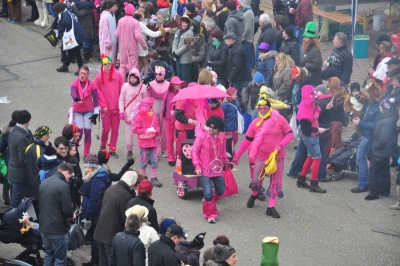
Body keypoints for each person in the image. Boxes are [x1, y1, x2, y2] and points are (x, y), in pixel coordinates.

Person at [234, 98, 293, 218]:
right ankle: (255, 194)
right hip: (260, 156)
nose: (262, 110)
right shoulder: (255, 122)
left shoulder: (280, 120)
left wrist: (281, 145)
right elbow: (247, 140)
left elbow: (289, 133)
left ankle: (271, 207)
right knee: (256, 180)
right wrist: (238, 155)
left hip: (277, 157)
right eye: (260, 108)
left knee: (275, 182)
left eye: (265, 108)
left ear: (270, 108)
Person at [94, 170, 143, 266]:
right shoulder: (125, 196)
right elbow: (125, 218)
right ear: (133, 183)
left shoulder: (111, 189)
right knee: (111, 261)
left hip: (100, 231)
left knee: (103, 262)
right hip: (111, 236)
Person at [287, 84, 332, 181]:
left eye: (317, 91)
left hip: (314, 132)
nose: (315, 93)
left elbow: (307, 122)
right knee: (316, 155)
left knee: (309, 153)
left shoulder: (316, 103)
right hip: (317, 132)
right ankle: (318, 177)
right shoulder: (327, 101)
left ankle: (297, 173)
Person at [192, 116, 227, 223]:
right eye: (209, 126)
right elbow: (194, 152)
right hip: (204, 169)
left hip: (217, 169)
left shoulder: (222, 137)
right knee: (208, 194)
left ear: (219, 129)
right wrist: (197, 166)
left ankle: (208, 202)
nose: (210, 129)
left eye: (214, 128)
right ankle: (210, 214)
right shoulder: (202, 137)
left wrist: (226, 162)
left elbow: (223, 151)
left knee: (220, 190)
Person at [38, 163, 74, 266]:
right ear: (66, 172)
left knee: (49, 255)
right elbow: (67, 210)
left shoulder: (44, 182)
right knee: (60, 260)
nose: (68, 179)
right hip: (57, 229)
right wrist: (72, 215)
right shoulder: (63, 186)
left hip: (44, 227)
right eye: (69, 176)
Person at [295, 85, 328, 193]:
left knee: (310, 157)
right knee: (317, 159)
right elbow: (305, 127)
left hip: (312, 136)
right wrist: (318, 129)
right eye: (313, 93)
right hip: (310, 136)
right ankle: (314, 184)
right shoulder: (306, 106)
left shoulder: (312, 104)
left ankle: (301, 179)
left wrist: (327, 108)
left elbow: (317, 115)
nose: (316, 94)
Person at [350, 81, 382, 193]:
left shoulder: (378, 107)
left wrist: (361, 123)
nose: (366, 94)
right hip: (363, 134)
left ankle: (363, 184)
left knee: (360, 157)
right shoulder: (367, 103)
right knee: (365, 158)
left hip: (369, 136)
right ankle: (367, 182)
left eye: (368, 92)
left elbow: (377, 125)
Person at [80, 154, 111, 266]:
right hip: (95, 212)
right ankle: (95, 260)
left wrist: (87, 217)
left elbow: (94, 201)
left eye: (88, 167)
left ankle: (95, 261)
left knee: (94, 238)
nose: (86, 170)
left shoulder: (97, 180)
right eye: (85, 167)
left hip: (94, 214)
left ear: (94, 167)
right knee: (94, 237)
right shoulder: (97, 176)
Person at [365, 98, 398, 201]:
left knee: (374, 171)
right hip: (385, 151)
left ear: (384, 108)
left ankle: (373, 193)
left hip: (381, 151)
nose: (379, 107)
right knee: (384, 170)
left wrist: (375, 147)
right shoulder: (389, 118)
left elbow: (383, 138)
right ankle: (384, 190)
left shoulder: (386, 122)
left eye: (380, 106)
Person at [95, 55, 124, 158]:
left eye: (109, 63)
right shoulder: (99, 77)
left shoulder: (118, 75)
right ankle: (103, 145)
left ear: (112, 64)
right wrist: (103, 105)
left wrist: (121, 106)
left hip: (116, 108)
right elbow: (97, 93)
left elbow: (122, 91)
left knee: (115, 130)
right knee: (106, 129)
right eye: (105, 64)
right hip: (105, 109)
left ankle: (112, 148)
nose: (107, 65)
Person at [119, 68, 148, 160]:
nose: (132, 79)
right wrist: (121, 111)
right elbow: (121, 100)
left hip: (140, 115)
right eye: (131, 77)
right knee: (129, 134)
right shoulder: (125, 86)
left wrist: (145, 112)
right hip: (128, 114)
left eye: (134, 78)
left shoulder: (143, 87)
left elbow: (145, 101)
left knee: (141, 134)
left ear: (138, 78)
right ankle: (129, 151)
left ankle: (143, 151)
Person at [70, 66, 100, 157]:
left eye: (84, 73)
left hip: (88, 110)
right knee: (79, 133)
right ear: (78, 73)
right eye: (81, 73)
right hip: (78, 111)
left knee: (87, 132)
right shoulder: (75, 82)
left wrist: (96, 113)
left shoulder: (92, 84)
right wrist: (76, 98)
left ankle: (86, 153)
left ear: (88, 75)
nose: (82, 75)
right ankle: (74, 150)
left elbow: (96, 99)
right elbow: (73, 92)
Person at [132, 98, 162, 187]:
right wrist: (146, 130)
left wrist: (155, 131)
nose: (151, 108)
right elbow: (135, 129)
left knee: (154, 160)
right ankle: (143, 177)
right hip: (143, 143)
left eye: (151, 106)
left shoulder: (153, 116)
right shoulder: (139, 117)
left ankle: (153, 177)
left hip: (152, 142)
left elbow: (157, 128)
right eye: (150, 106)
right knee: (143, 160)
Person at [8, 110, 33, 208]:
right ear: (27, 121)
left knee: (16, 195)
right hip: (20, 173)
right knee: (17, 197)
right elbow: (23, 158)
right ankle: (12, 218)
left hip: (13, 170)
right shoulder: (22, 137)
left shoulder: (13, 131)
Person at [114, 2, 147, 78]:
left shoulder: (120, 21)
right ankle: (131, 84)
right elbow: (138, 36)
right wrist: (144, 45)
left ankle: (121, 84)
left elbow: (117, 34)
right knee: (133, 67)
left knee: (122, 66)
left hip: (122, 47)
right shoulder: (135, 22)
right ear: (132, 11)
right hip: (132, 47)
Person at [53, 2, 85, 75]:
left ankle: (81, 68)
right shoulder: (69, 12)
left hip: (75, 36)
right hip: (77, 34)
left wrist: (60, 21)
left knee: (76, 53)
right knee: (70, 51)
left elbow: (67, 23)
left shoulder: (66, 14)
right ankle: (65, 66)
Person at [147, 66, 170, 158]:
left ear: (163, 74)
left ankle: (164, 149)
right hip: (153, 111)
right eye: (156, 74)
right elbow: (147, 98)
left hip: (164, 112)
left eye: (160, 74)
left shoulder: (168, 84)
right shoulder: (151, 84)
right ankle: (154, 148)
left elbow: (164, 96)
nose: (157, 76)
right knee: (154, 131)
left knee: (164, 132)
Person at [25, 126, 52, 199]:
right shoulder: (41, 150)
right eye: (47, 135)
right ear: (41, 136)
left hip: (30, 181)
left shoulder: (29, 146)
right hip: (38, 182)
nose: (49, 137)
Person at [164, 76, 185, 166]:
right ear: (172, 85)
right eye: (176, 84)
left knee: (178, 139)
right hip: (168, 119)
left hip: (178, 120)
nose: (179, 85)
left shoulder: (183, 93)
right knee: (169, 139)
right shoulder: (167, 93)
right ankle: (171, 158)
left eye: (179, 84)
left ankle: (178, 156)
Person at [325, 77, 348, 159]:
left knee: (335, 142)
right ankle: (327, 158)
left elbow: (341, 108)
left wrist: (330, 107)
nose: (328, 85)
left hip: (336, 120)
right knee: (330, 141)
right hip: (333, 120)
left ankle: (332, 160)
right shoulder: (340, 92)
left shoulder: (339, 95)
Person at [0, 110, 19, 206]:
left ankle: (6, 199)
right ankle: (13, 201)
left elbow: (1, 148)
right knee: (14, 182)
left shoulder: (5, 130)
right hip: (16, 160)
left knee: (7, 180)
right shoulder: (20, 132)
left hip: (7, 159)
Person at [172, 15, 194, 85]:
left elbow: (187, 45)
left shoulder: (190, 32)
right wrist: (174, 52)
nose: (184, 24)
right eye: (183, 23)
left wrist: (177, 53)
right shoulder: (178, 31)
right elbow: (174, 42)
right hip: (177, 57)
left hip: (185, 58)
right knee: (179, 75)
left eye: (186, 23)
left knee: (185, 76)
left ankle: (186, 89)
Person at [224, 32, 246, 102]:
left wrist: (230, 77)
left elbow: (236, 66)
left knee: (236, 95)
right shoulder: (234, 48)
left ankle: (239, 109)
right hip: (236, 77)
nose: (225, 42)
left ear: (231, 40)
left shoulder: (237, 51)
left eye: (226, 40)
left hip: (237, 78)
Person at [299, 22, 322, 87]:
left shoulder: (315, 51)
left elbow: (318, 65)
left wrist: (306, 65)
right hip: (306, 79)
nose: (304, 39)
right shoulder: (307, 48)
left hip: (312, 82)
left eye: (306, 38)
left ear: (311, 40)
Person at [239, 0, 254, 82]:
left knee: (245, 60)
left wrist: (242, 38)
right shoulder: (248, 12)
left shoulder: (248, 13)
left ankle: (248, 79)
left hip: (246, 41)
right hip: (246, 40)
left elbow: (247, 29)